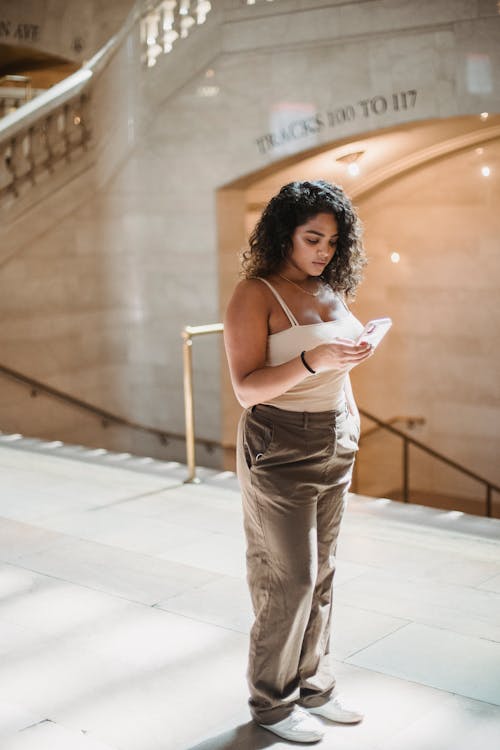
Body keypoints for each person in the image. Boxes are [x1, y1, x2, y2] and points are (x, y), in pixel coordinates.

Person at [223, 179, 373, 744]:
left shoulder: (330, 287)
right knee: (290, 578)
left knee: (325, 571)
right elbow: (245, 388)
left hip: (336, 437)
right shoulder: (255, 293)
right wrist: (313, 359)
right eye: (313, 238)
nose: (323, 252)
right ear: (284, 233)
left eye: (333, 242)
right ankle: (271, 701)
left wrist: (348, 369)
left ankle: (314, 685)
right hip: (279, 442)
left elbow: (336, 362)